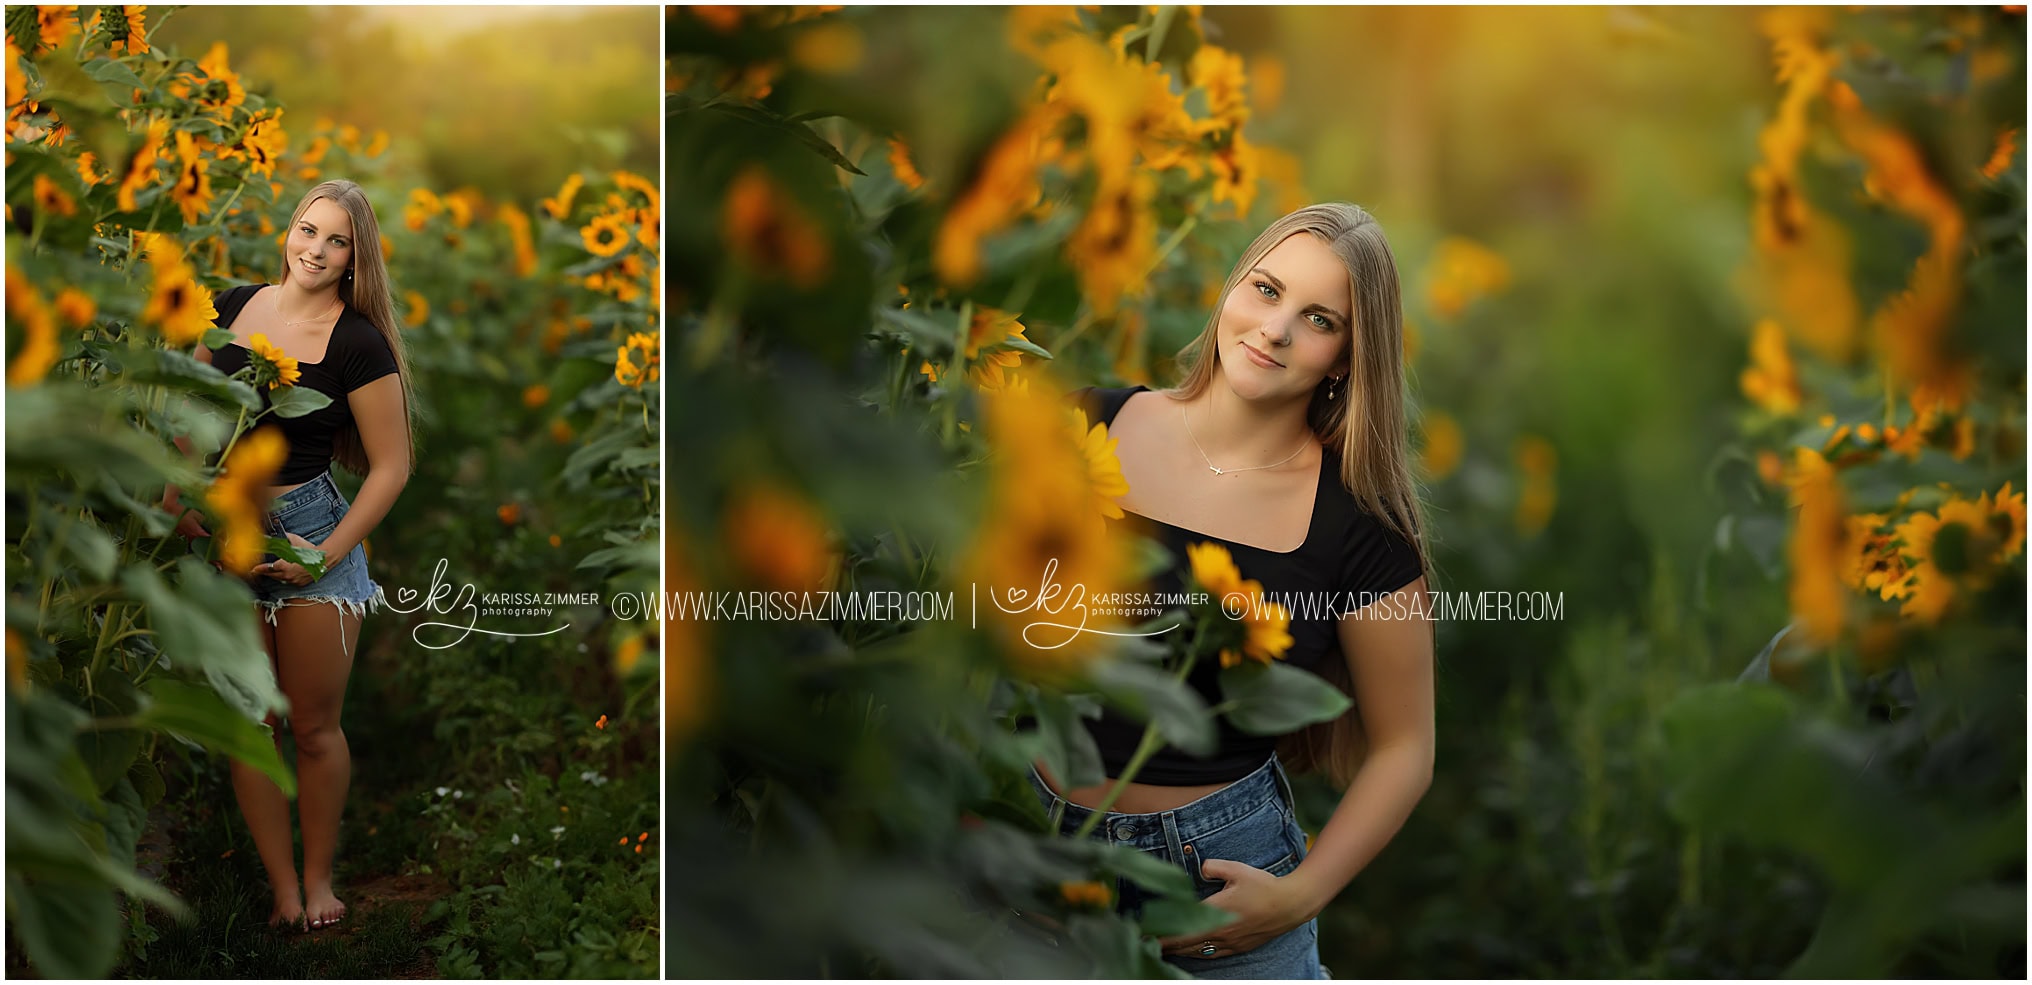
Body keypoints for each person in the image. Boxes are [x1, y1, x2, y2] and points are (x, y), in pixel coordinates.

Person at [1034, 203, 1437, 979]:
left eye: (1318, 318)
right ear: (1231, 290)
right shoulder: (1085, 424)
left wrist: (1303, 892)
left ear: (1349, 356)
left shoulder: (1359, 528)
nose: (1275, 328)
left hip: (1211, 881)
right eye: (1265, 289)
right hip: (1021, 853)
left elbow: (1405, 747)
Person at [160, 179, 415, 932]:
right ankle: (281, 890)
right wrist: (180, 506)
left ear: (353, 259)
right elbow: (189, 407)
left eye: (337, 241)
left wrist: (324, 553)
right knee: (250, 720)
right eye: (309, 230)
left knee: (311, 725)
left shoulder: (357, 342)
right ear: (289, 232)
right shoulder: (234, 305)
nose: (316, 249)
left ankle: (320, 878)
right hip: (225, 525)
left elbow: (393, 465)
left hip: (312, 530)